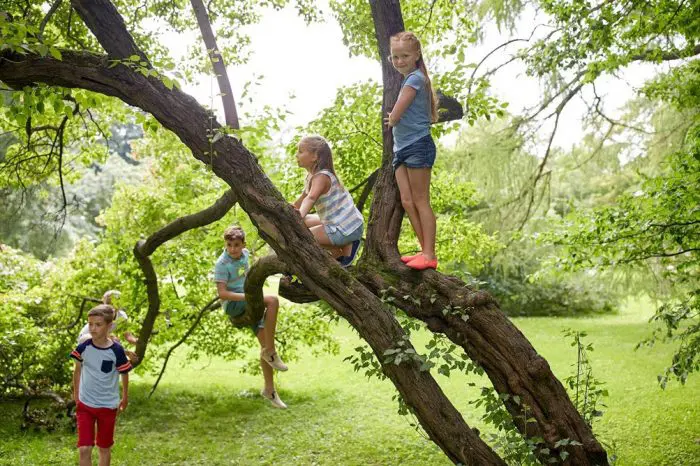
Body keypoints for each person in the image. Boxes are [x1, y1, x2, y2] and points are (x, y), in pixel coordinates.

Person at [214, 225, 288, 409]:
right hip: (234, 303)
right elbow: (222, 294)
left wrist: (252, 294)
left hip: (249, 299)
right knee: (272, 301)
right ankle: (271, 351)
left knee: (263, 342)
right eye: (229, 245)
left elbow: (249, 277)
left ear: (243, 244)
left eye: (236, 245)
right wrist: (248, 297)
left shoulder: (245, 254)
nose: (233, 249)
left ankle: (269, 390)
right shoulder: (222, 264)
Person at [384, 31, 439, 270]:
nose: (399, 61)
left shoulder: (416, 78)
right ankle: (423, 250)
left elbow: (398, 110)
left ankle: (430, 253)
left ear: (417, 55)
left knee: (420, 201)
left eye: (404, 55)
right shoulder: (409, 78)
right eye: (395, 57)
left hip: (418, 145)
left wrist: (392, 119)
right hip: (401, 150)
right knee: (407, 201)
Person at [70, 304, 131, 466]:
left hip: (107, 406)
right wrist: (76, 396)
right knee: (84, 448)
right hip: (85, 405)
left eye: (98, 325)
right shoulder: (83, 347)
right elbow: (77, 370)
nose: (93, 328)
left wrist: (124, 397)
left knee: (104, 448)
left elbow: (124, 373)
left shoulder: (117, 351)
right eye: (90, 324)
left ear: (109, 326)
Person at [291, 135, 364, 266]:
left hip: (346, 227)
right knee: (304, 221)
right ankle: (343, 247)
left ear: (315, 156)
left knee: (303, 237)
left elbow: (311, 198)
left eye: (301, 151)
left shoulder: (322, 177)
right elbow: (302, 199)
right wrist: (291, 209)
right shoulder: (311, 177)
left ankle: (341, 252)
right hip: (342, 222)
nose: (297, 155)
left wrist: (299, 216)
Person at [78, 290, 139, 364]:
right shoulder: (101, 315)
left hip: (103, 342)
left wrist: (138, 341)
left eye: (114, 303)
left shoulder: (122, 316)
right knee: (113, 339)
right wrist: (126, 353)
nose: (111, 306)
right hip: (87, 339)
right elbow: (105, 337)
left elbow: (128, 336)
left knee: (113, 341)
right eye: (108, 303)